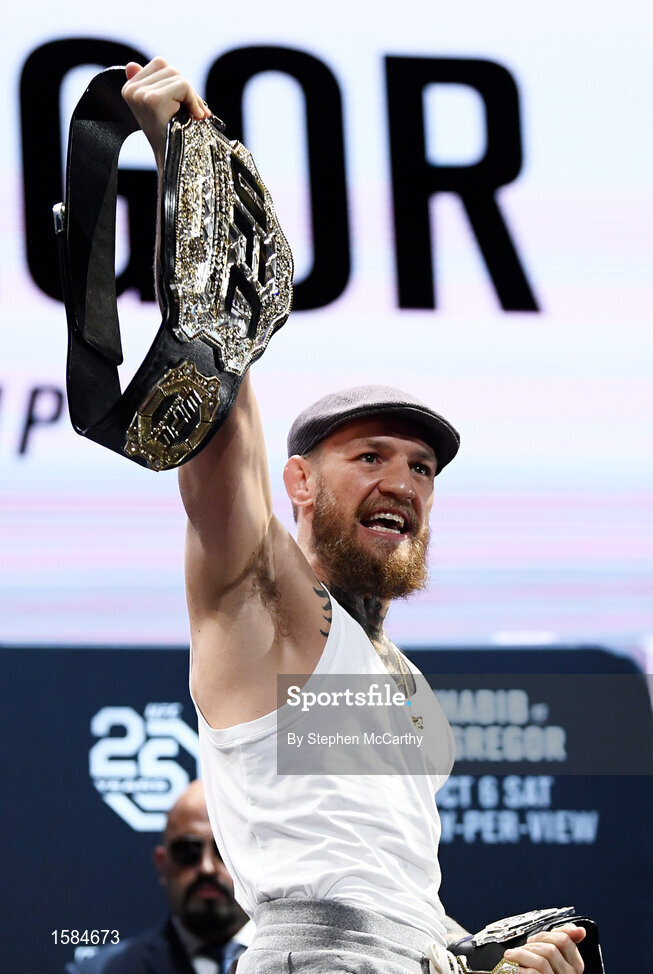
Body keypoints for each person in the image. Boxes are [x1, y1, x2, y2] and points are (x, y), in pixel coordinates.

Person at [121, 58, 587, 974]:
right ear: (297, 483)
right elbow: (222, 413)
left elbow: (390, 896)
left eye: (419, 467)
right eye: (368, 458)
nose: (403, 482)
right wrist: (183, 154)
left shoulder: (403, 682)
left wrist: (489, 962)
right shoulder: (267, 611)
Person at [66, 780, 252, 974]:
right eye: (187, 850)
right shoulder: (101, 971)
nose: (207, 867)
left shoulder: (285, 958)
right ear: (162, 863)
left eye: (224, 851)